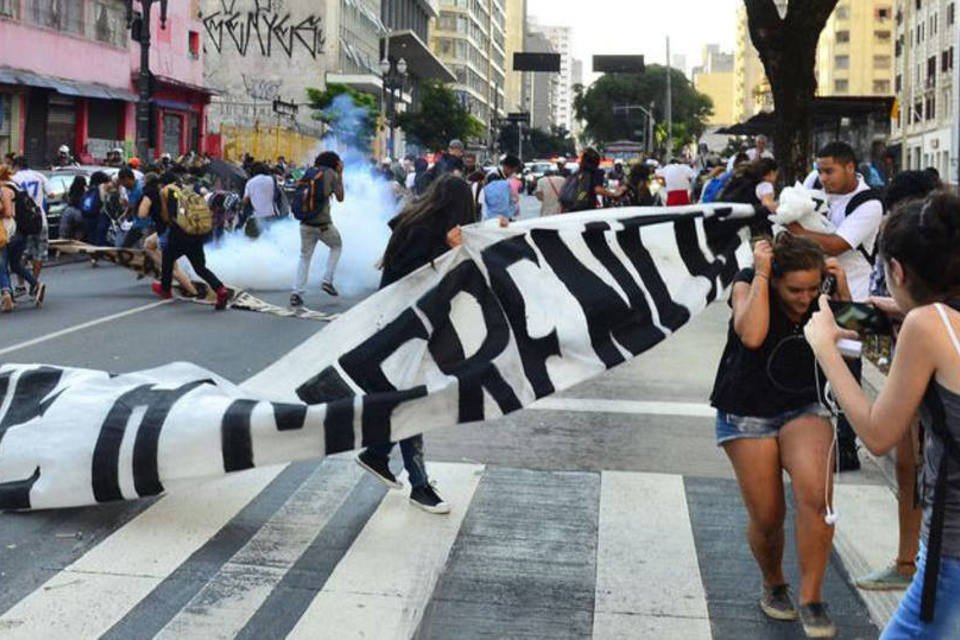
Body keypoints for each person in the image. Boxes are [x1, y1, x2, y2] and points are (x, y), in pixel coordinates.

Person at [804, 192, 960, 638]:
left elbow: (876, 433)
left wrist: (824, 347)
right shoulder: (936, 320)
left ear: (896, 271)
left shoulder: (927, 324)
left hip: (952, 551)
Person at [711, 232, 852, 639]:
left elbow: (854, 337)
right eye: (794, 290)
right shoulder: (748, 280)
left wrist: (838, 288)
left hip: (804, 403)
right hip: (746, 410)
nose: (804, 298)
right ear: (775, 280)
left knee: (816, 495)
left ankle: (812, 597)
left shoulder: (822, 289)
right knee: (769, 516)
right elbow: (751, 334)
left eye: (812, 288)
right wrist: (761, 274)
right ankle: (774, 582)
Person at [355, 174, 478, 514]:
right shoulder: (424, 232)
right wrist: (451, 247)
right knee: (413, 402)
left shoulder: (416, 223)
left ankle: (379, 455)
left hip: (401, 325)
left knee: (410, 399)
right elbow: (416, 276)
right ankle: (418, 483)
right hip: (402, 327)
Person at [852, 170, 940, 594]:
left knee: (917, 464)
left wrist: (827, 347)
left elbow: (875, 435)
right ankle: (909, 559)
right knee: (910, 465)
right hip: (902, 354)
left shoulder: (917, 252)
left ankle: (913, 561)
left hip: (920, 367)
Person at [787, 141, 885, 472]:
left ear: (850, 167)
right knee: (813, 370)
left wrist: (795, 229)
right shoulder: (815, 185)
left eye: (829, 171)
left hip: (856, 303)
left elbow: (839, 244)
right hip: (821, 298)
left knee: (847, 373)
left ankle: (845, 449)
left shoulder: (869, 204)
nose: (823, 178)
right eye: (820, 170)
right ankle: (816, 441)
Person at [151, 172, 229, 310]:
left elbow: (166, 217)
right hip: (196, 232)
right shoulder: (187, 189)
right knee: (200, 268)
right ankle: (220, 289)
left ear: (163, 183)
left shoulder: (165, 191)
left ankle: (165, 289)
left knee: (167, 259)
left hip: (179, 233)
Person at [290, 151, 345, 306]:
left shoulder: (309, 172)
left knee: (304, 257)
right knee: (336, 246)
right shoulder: (331, 174)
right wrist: (340, 174)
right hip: (323, 224)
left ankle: (296, 293)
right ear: (334, 162)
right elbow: (340, 197)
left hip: (305, 223)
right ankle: (327, 280)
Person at [138, 173, 199, 298]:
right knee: (149, 244)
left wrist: (149, 210)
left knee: (172, 267)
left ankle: (193, 292)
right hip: (179, 227)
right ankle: (166, 278)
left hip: (168, 231)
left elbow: (142, 214)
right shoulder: (176, 191)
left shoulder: (150, 193)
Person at [0, 167, 46, 308]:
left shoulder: (5, 190)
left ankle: (7, 293)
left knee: (1, 264)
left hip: (9, 232)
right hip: (22, 232)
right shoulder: (17, 187)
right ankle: (36, 284)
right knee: (15, 264)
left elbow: (8, 212)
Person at [11, 155, 53, 286]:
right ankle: (35, 282)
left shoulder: (14, 179)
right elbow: (51, 194)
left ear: (16, 166)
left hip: (22, 222)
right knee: (39, 254)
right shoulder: (39, 176)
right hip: (40, 220)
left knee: (20, 255)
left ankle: (21, 285)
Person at [480, 155, 522, 220]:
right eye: (512, 170)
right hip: (493, 217)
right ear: (506, 167)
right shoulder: (494, 176)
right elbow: (498, 202)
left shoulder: (503, 176)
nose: (513, 173)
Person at [241, 162, 278, 237]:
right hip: (272, 215)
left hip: (257, 217)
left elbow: (245, 200)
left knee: (253, 241)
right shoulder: (271, 180)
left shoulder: (250, 182)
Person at [58, 176, 87, 241]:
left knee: (64, 236)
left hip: (70, 212)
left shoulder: (71, 191)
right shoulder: (86, 192)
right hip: (81, 214)